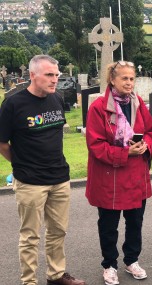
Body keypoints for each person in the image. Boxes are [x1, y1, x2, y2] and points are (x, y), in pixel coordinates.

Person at [0, 55, 86, 285]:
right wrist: (20, 164)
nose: (55, 79)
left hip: (59, 177)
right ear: (32, 75)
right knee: (30, 236)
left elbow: (55, 135)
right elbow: (2, 143)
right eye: (49, 75)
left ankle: (56, 274)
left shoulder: (56, 99)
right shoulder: (13, 104)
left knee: (58, 231)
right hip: (30, 181)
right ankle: (29, 281)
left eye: (56, 75)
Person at [85, 60, 152, 285]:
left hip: (136, 175)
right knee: (108, 225)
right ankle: (109, 265)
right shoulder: (98, 108)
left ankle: (132, 260)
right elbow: (95, 145)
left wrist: (145, 146)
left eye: (132, 78)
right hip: (110, 178)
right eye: (124, 78)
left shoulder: (138, 104)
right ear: (112, 80)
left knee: (135, 222)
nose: (129, 82)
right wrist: (127, 153)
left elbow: (151, 130)